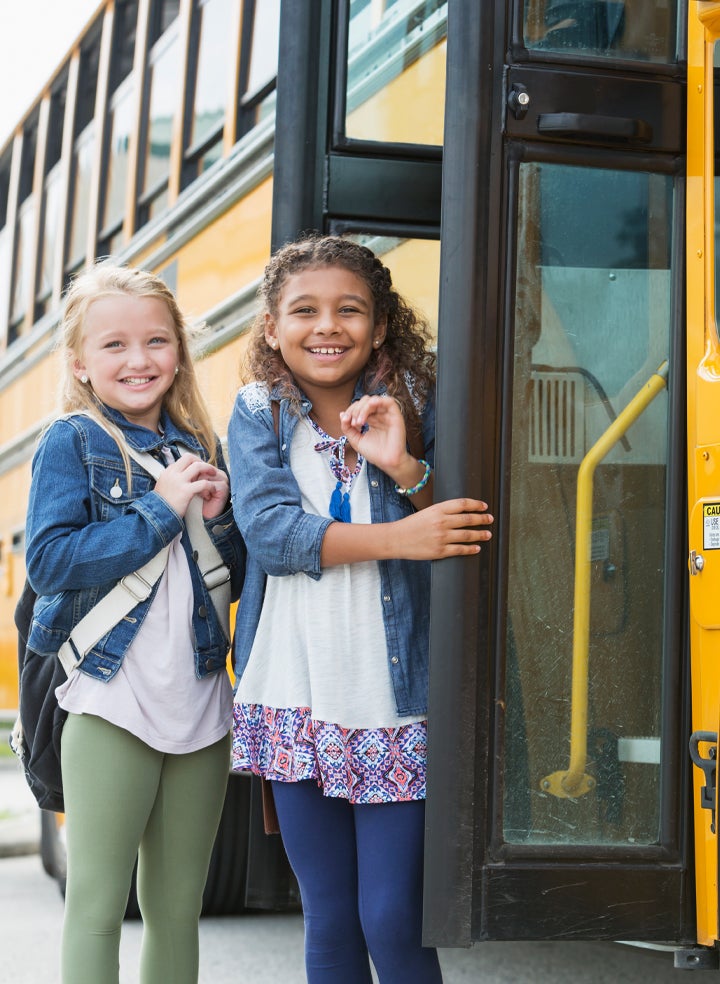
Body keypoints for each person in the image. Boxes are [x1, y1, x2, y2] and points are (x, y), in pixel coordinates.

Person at [227, 234, 493, 983]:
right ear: (273, 329)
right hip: (293, 691)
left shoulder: (420, 399)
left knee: (393, 916)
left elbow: (463, 527)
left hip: (393, 699)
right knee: (332, 918)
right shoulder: (260, 413)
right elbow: (275, 537)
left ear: (379, 326)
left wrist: (405, 467)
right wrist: (400, 537)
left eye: (350, 310)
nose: (327, 326)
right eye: (304, 311)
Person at [24, 263, 245, 984]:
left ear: (178, 350)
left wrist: (217, 524)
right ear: (81, 362)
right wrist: (157, 511)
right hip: (110, 699)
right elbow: (51, 564)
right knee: (97, 904)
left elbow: (223, 582)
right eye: (114, 345)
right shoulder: (72, 441)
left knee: (178, 907)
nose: (138, 360)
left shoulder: (198, 448)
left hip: (202, 703)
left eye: (155, 341)